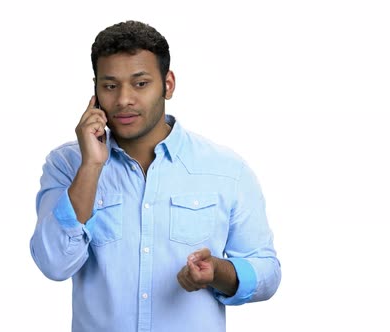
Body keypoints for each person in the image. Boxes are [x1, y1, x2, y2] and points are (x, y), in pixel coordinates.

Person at [30, 20, 281, 332]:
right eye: (110, 86)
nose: (123, 100)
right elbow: (54, 264)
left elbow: (267, 272)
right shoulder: (67, 164)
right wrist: (91, 167)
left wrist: (219, 271)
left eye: (140, 83)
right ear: (95, 92)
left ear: (168, 84)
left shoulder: (226, 170)